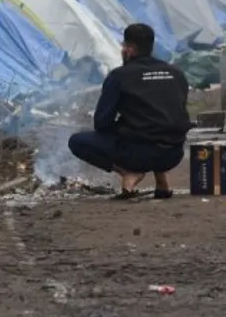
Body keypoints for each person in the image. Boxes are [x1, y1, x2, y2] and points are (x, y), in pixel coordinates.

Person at [68, 24, 191, 199]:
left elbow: (102, 123)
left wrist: (123, 126)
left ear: (129, 49)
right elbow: (173, 114)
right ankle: (161, 179)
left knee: (77, 141)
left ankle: (128, 172)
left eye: (123, 46)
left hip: (138, 155)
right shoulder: (176, 73)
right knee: (159, 126)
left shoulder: (119, 76)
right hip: (173, 154)